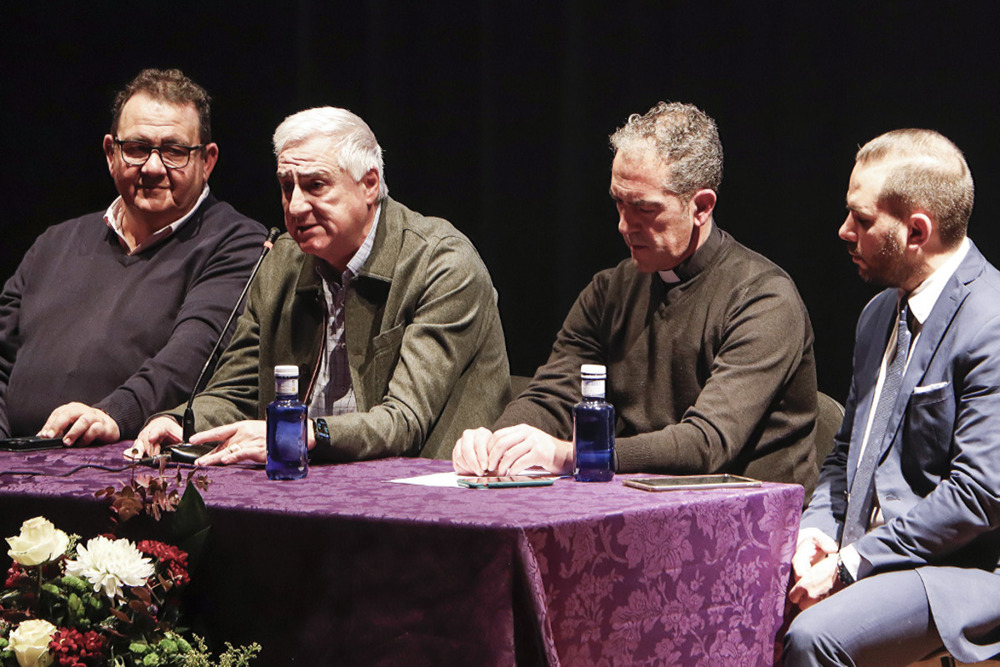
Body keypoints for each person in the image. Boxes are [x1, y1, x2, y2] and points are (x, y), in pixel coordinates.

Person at [452, 101, 817, 492]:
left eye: (644, 208)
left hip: (749, 520)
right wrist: (499, 442)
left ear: (702, 207)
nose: (625, 225)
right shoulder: (611, 290)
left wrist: (570, 455)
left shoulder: (763, 300)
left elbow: (707, 443)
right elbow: (554, 395)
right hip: (642, 506)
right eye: (619, 203)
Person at [129, 106, 510, 465]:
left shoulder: (441, 264)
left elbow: (404, 421)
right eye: (286, 186)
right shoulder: (281, 260)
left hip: (421, 498)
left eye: (315, 186)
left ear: (369, 185)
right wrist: (184, 424)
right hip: (304, 484)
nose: (295, 207)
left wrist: (304, 433)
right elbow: (237, 391)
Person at [784, 129, 1000, 666]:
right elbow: (846, 451)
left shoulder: (991, 322)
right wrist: (817, 530)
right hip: (874, 552)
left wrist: (853, 563)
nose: (844, 231)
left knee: (814, 637)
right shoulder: (878, 315)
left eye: (862, 219)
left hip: (965, 570)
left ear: (916, 231)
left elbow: (978, 495)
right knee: (733, 595)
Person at [0, 68, 266, 446]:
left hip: (127, 469)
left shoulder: (238, 243)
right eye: (137, 149)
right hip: (15, 465)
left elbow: (191, 360)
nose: (153, 167)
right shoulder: (54, 242)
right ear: (111, 153)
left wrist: (113, 414)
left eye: (174, 151)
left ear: (207, 162)